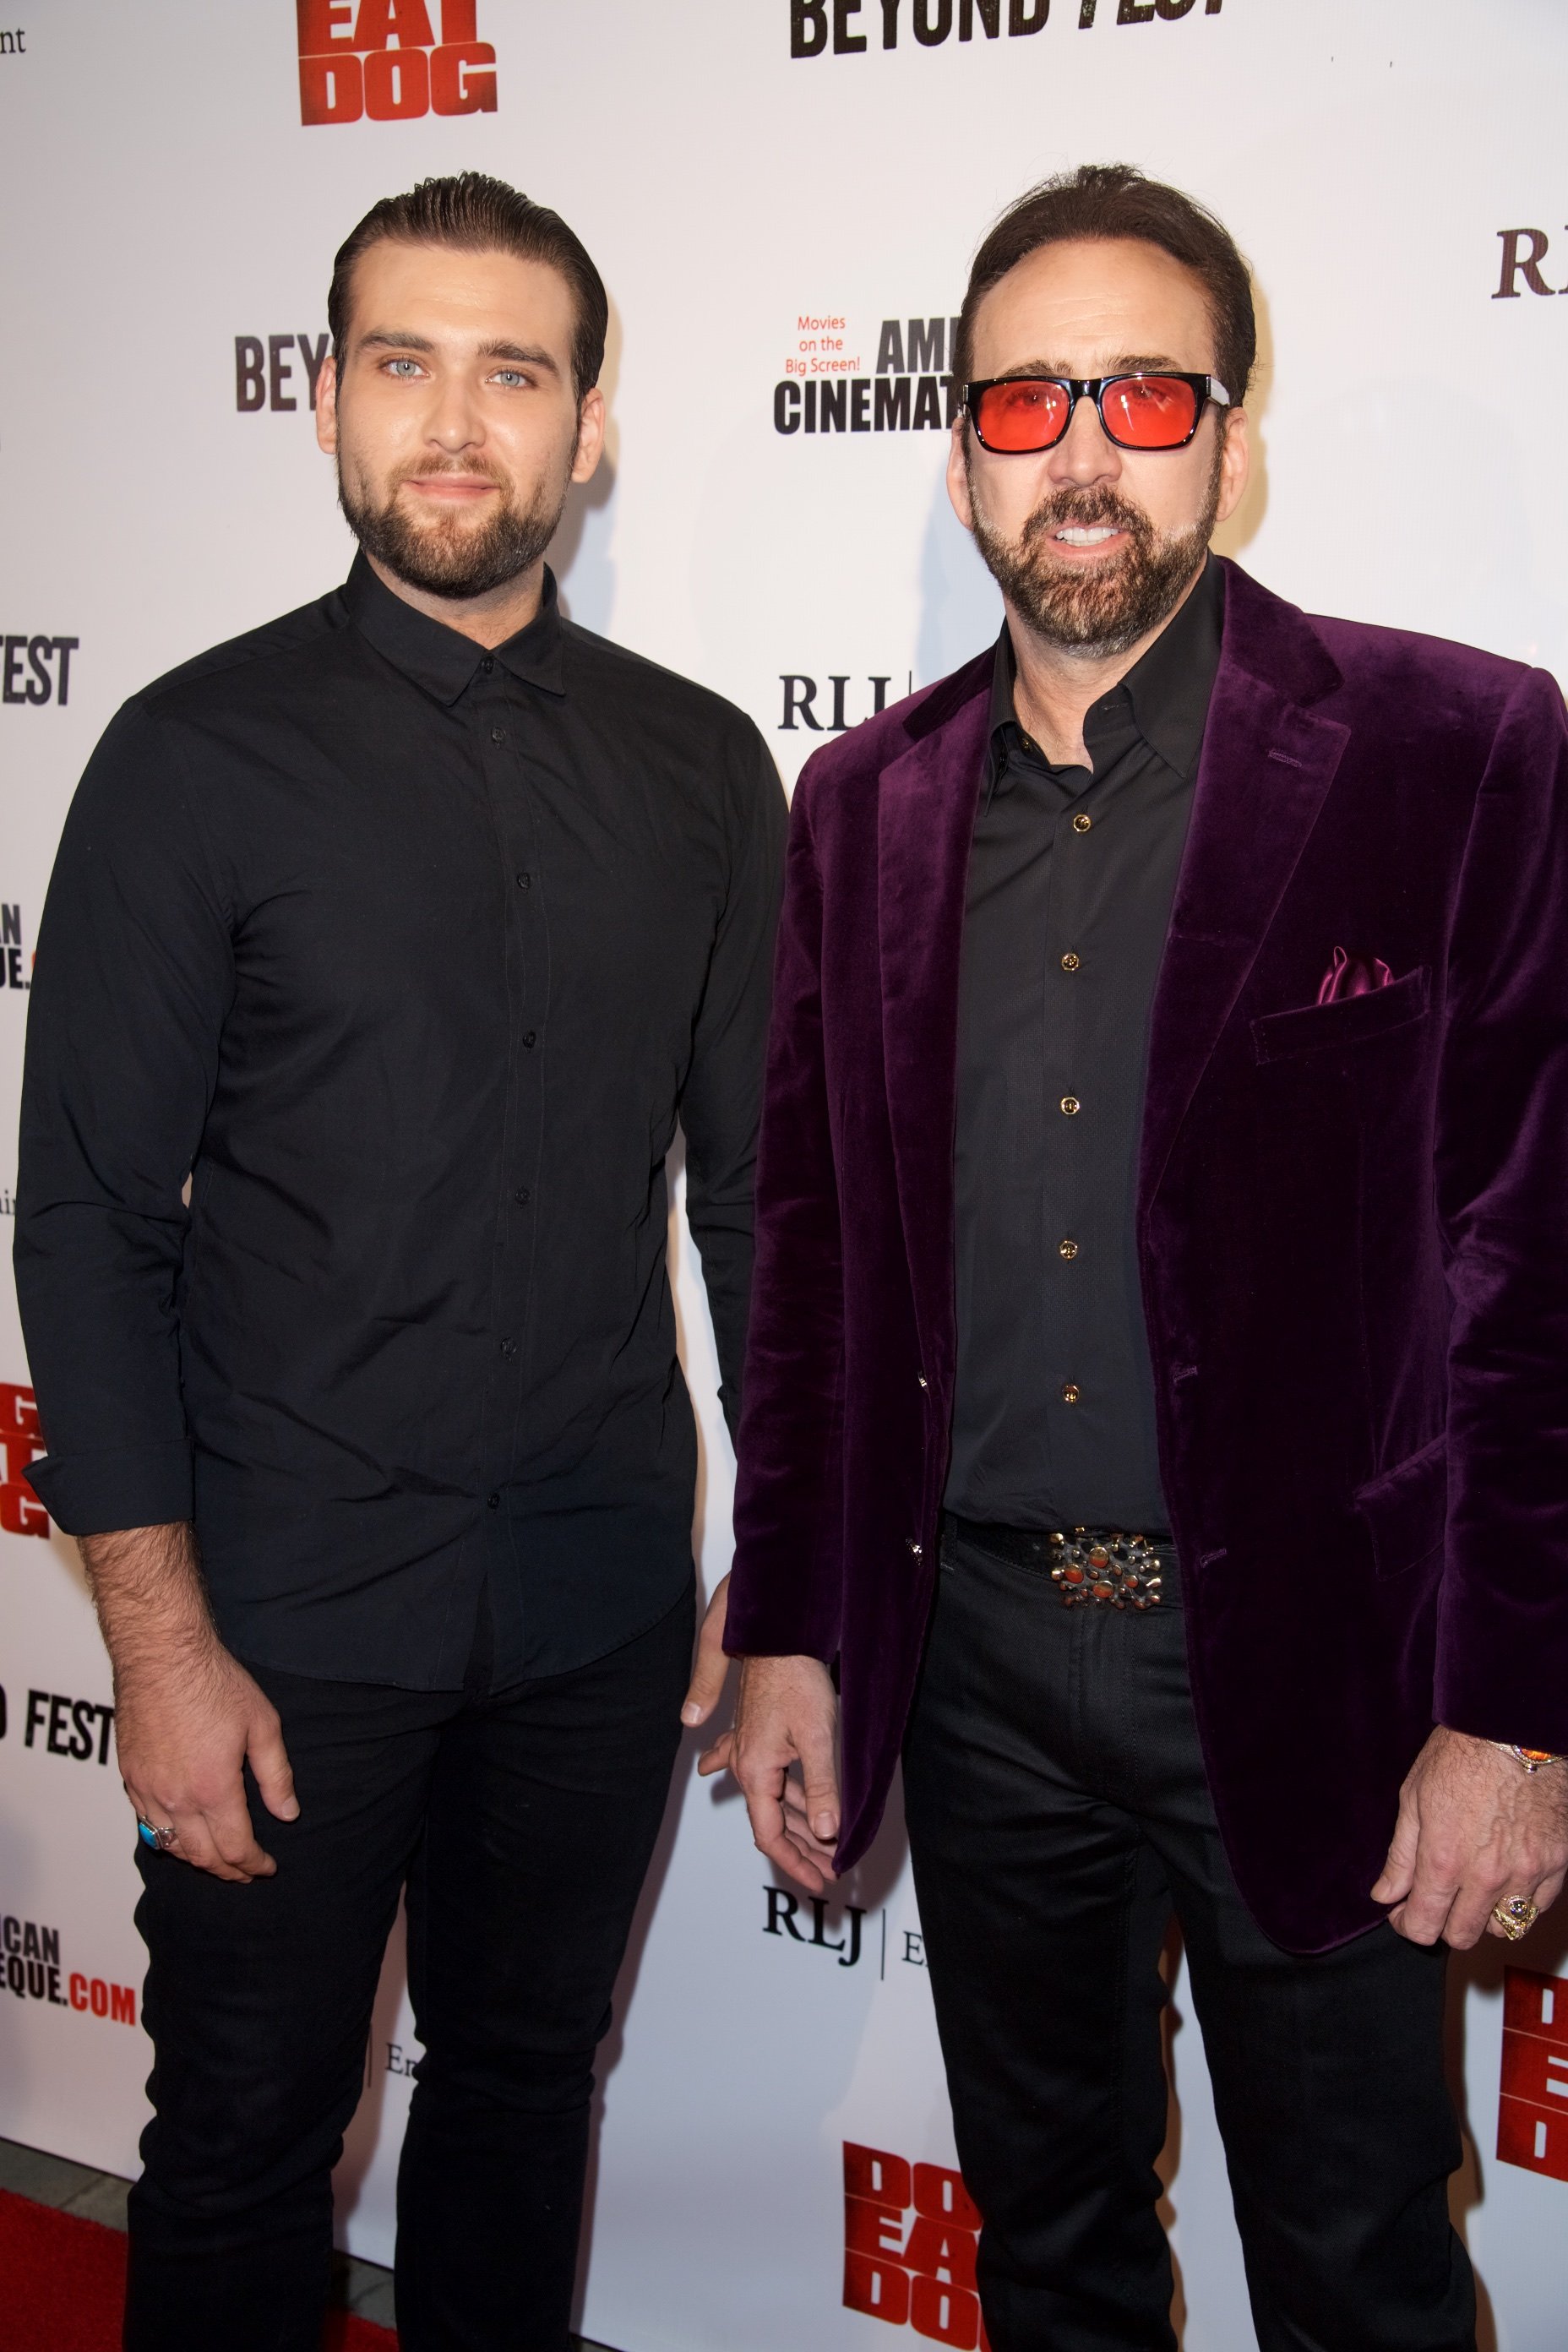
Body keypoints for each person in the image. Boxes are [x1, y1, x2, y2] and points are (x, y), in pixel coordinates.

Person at [683, 163, 1568, 2351]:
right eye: (1025, 399)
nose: (1081, 451)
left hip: (1317, 1681)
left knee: (1363, 2268)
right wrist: (792, 1620)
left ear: (1233, 436)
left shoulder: (1455, 750)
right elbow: (809, 1259)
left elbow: (1534, 1268)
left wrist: (1512, 1713)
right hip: (976, 1668)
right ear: (962, 443)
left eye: (1145, 397)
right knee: (1048, 2245)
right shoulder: (860, 804)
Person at [17, 171, 785, 2352]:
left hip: (593, 1601)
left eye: (513, 371)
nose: (457, 423)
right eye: (404, 362)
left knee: (527, 2091)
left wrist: (797, 1541)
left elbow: (756, 1203)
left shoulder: (709, 772)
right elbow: (83, 1219)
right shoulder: (188, 755)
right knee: (250, 2131)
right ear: (331, 403)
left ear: (588, 424)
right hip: (277, 1616)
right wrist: (159, 1646)